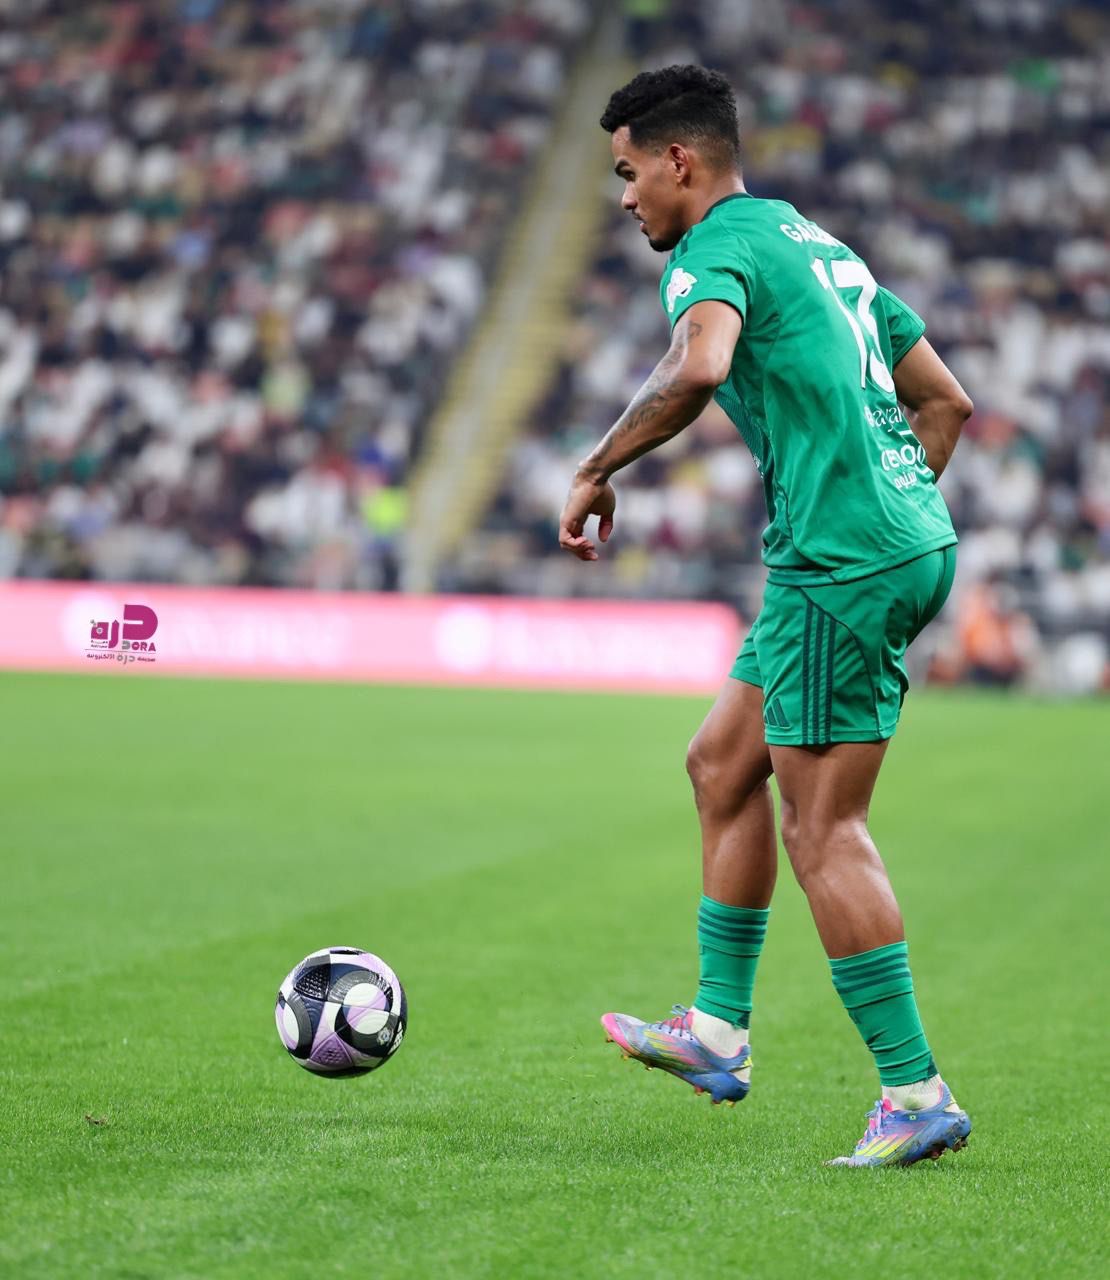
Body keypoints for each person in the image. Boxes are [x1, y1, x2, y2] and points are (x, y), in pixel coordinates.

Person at [557, 65, 975, 1168]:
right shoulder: (817, 243)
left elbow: (700, 365)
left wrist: (597, 467)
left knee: (822, 827)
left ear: (679, 161)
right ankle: (715, 1029)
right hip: (855, 551)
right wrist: (889, 508)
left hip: (843, 562)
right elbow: (945, 401)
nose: (626, 197)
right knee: (720, 764)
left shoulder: (713, 250)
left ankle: (915, 1091)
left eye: (630, 172)